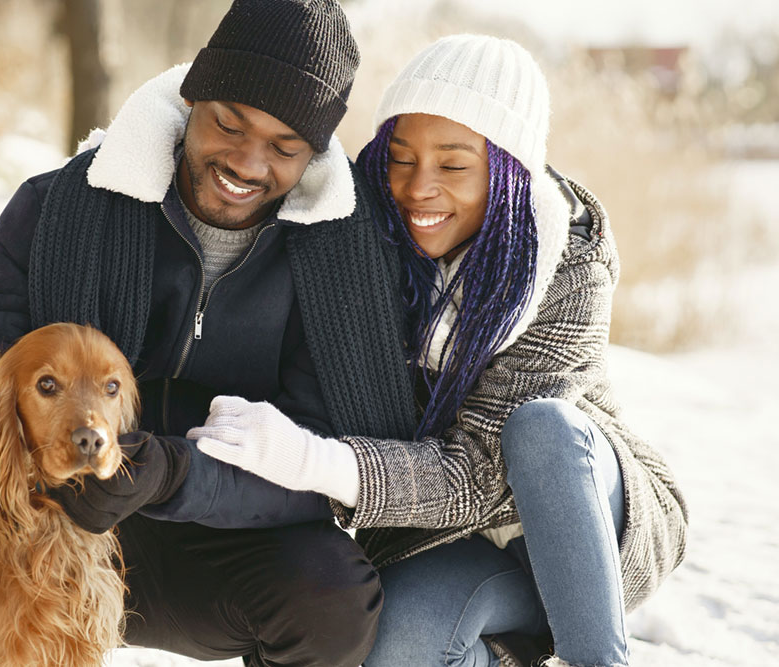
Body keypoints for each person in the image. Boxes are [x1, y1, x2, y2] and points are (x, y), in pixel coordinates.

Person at [0, 2, 419, 665]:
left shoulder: (339, 264)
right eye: (229, 123)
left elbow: (324, 462)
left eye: (283, 148)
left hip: (220, 542)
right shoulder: (57, 208)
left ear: (313, 153)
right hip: (50, 521)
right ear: (193, 97)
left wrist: (173, 473)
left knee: (334, 597)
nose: (247, 163)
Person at [189, 34, 689, 667]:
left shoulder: (567, 266)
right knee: (394, 645)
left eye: (453, 166)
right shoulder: (369, 238)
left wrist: (314, 461)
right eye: (400, 158)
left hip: (582, 522)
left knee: (541, 428)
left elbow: (478, 475)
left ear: (509, 171)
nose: (418, 187)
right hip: (450, 539)